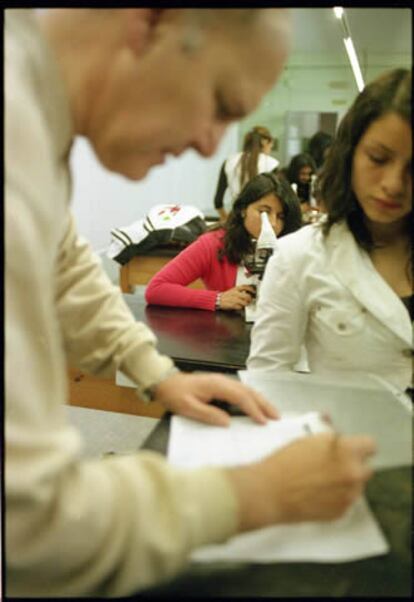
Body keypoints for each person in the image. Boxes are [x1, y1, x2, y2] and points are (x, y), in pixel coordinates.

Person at [6, 8, 376, 597]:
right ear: (150, 21)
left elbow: (67, 262)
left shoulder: (34, 116)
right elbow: (28, 527)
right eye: (221, 101)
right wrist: (253, 495)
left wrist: (158, 372)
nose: (210, 141)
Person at [248, 68, 412, 392]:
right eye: (378, 159)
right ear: (349, 154)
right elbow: (267, 382)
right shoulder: (299, 256)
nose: (393, 185)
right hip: (348, 439)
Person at [146, 173, 302, 311]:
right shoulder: (213, 244)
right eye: (263, 212)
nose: (273, 223)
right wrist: (218, 299)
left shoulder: (291, 245)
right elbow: (156, 289)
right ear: (243, 210)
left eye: (280, 216)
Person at [213, 125, 279, 221]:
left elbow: (218, 201)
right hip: (261, 220)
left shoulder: (229, 162)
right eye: (270, 147)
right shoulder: (271, 164)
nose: (270, 151)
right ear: (265, 143)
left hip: (236, 219)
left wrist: (225, 218)